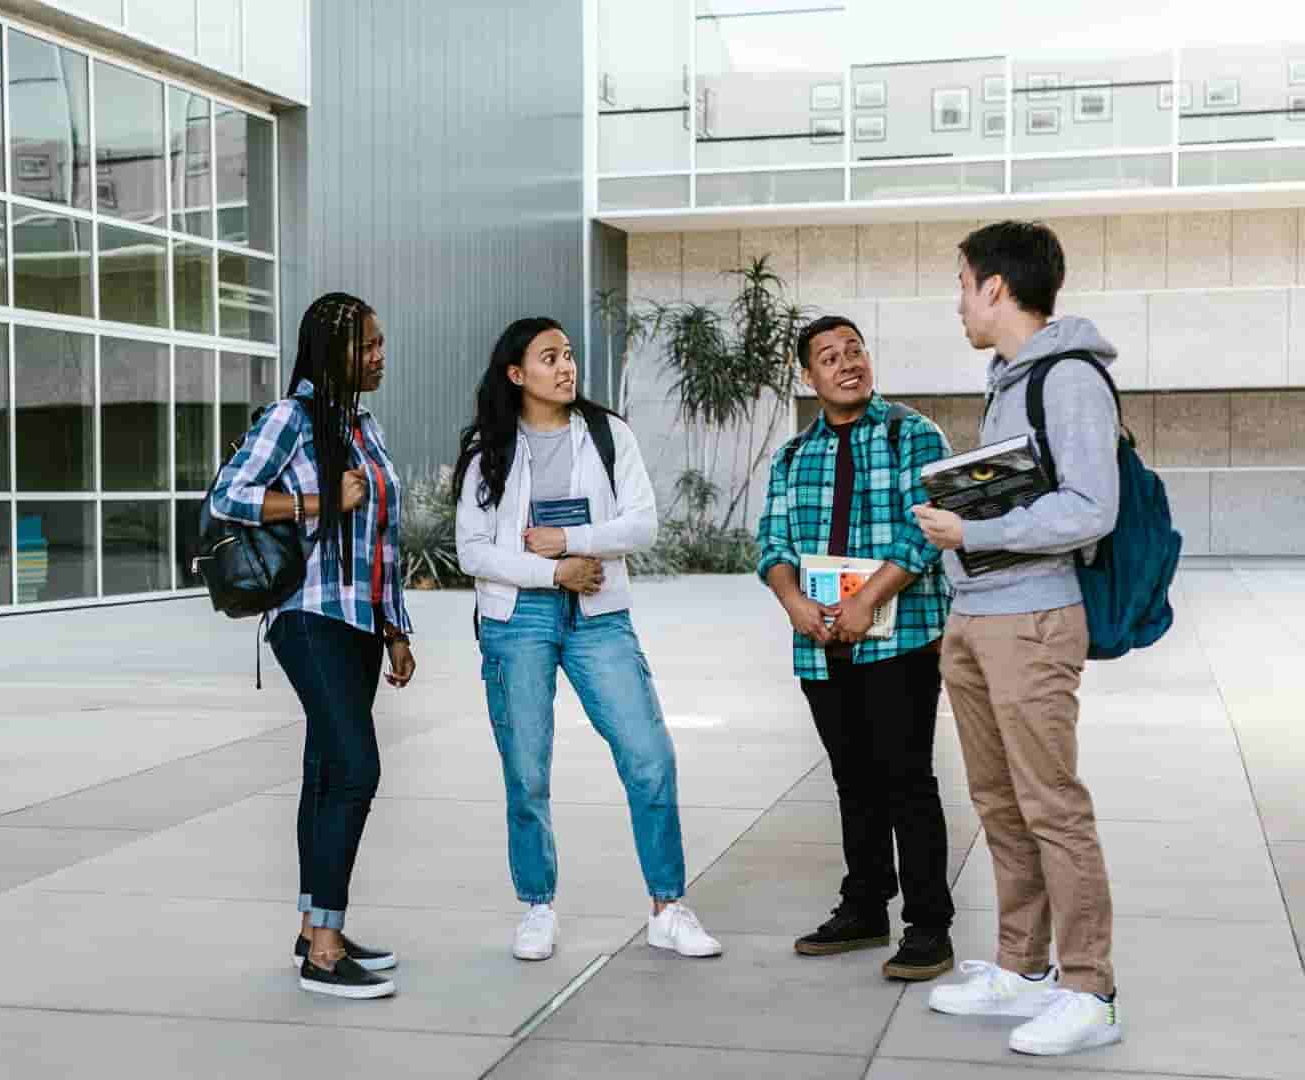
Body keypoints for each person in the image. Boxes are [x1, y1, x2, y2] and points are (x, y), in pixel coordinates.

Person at [910, 221, 1124, 1056]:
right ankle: (1023, 967)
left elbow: (1089, 508)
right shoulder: (1009, 380)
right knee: (999, 803)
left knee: (1051, 806)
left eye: (963, 283)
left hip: (1032, 617)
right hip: (978, 615)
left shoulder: (1069, 378)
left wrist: (974, 535)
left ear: (996, 287)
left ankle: (1090, 990)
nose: (959, 301)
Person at [453, 316, 721, 964]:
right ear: (516, 374)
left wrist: (572, 542)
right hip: (518, 621)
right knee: (527, 771)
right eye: (550, 357)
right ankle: (538, 908)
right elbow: (472, 550)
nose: (566, 367)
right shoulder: (488, 447)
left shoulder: (607, 434)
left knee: (649, 755)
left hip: (599, 615)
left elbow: (643, 524)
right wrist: (554, 571)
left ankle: (667, 908)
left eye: (568, 355)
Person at [209, 292, 416, 1000]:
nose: (380, 356)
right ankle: (323, 955)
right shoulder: (289, 421)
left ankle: (314, 927)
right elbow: (227, 496)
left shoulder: (363, 426)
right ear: (333, 353)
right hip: (308, 616)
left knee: (328, 773)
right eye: (368, 345)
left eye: (381, 342)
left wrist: (396, 629)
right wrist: (317, 502)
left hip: (358, 621)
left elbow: (382, 538)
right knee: (356, 769)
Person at [756, 315, 957, 982]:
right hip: (820, 644)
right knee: (853, 779)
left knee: (907, 780)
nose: (848, 364)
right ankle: (865, 907)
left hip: (900, 638)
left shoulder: (911, 434)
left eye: (855, 351)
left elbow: (926, 531)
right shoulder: (791, 457)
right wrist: (793, 602)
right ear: (806, 376)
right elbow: (773, 544)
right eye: (829, 357)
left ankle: (929, 927)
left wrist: (868, 598)